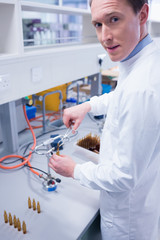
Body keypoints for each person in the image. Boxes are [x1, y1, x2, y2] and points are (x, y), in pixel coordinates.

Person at [49, 0, 160, 239]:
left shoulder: (142, 88)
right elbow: (121, 96)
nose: (104, 36)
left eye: (114, 20)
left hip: (127, 222)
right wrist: (88, 105)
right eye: (98, 24)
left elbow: (123, 177)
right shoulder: (143, 57)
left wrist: (74, 170)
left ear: (142, 15)